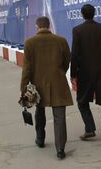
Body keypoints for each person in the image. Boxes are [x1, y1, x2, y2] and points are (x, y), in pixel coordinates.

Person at [21, 16, 73, 160]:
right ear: (49, 26)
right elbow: (67, 60)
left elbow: (27, 68)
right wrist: (60, 72)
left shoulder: (30, 42)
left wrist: (24, 88)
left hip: (38, 83)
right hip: (58, 82)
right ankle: (60, 149)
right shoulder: (61, 40)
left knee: (40, 110)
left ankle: (40, 139)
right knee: (59, 116)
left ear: (37, 27)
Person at [70, 4, 101, 144]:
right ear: (94, 14)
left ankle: (90, 128)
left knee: (82, 101)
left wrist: (73, 74)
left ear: (82, 15)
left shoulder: (77, 30)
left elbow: (75, 55)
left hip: (84, 72)